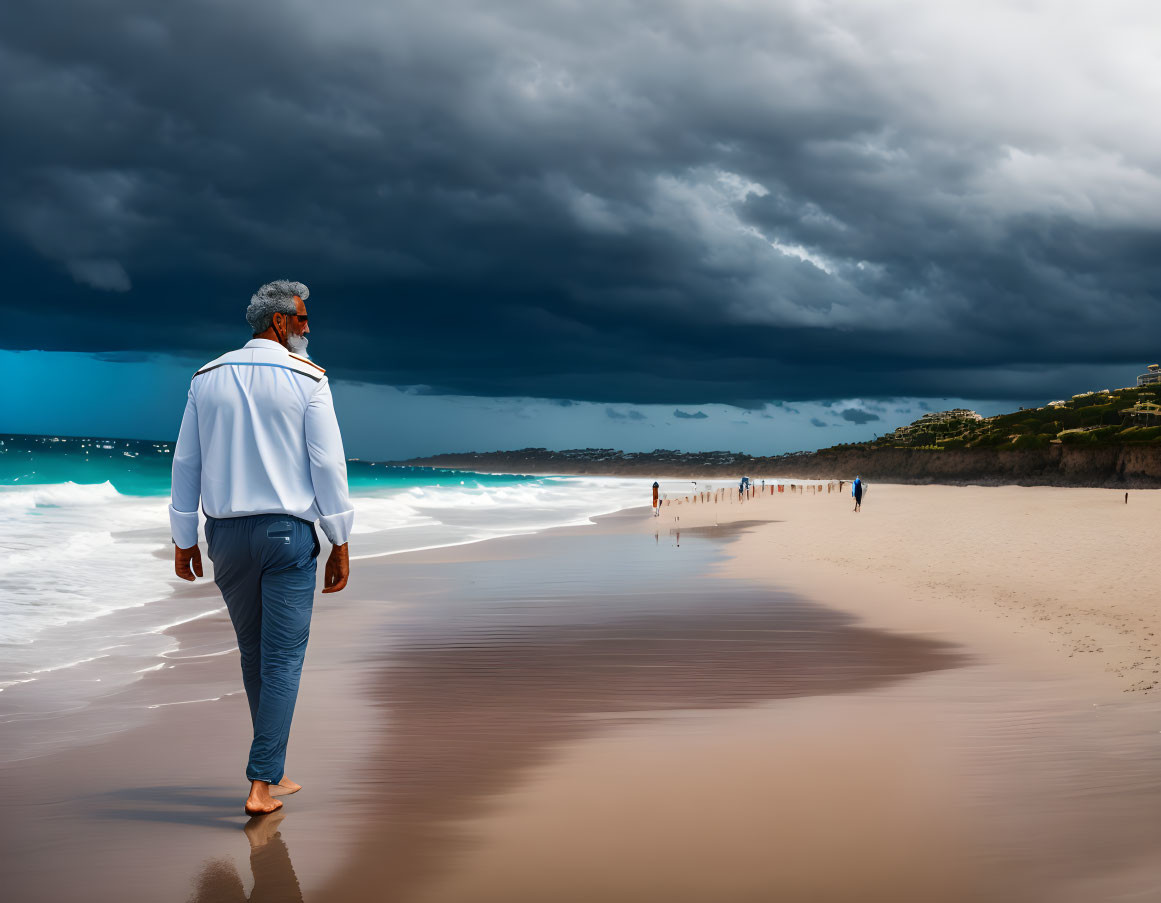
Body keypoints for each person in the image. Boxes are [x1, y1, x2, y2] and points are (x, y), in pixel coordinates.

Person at [170, 280, 354, 817]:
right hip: (286, 535)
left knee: (255, 654)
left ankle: (271, 770)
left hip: (224, 536)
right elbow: (327, 464)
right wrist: (339, 538)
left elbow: (187, 462)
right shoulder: (309, 379)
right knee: (284, 659)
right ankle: (259, 784)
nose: (307, 328)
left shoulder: (206, 377)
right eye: (301, 319)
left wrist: (184, 538)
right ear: (278, 323)